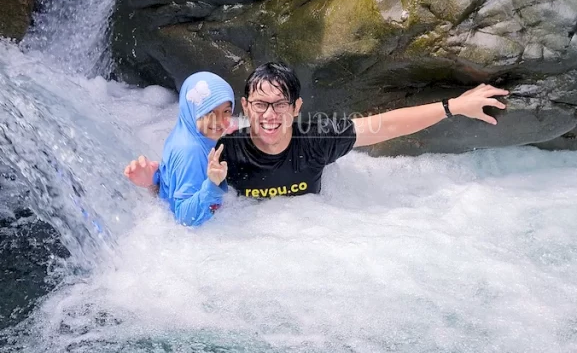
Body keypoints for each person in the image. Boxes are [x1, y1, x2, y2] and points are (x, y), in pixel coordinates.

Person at [126, 61, 508, 206]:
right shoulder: (226, 151)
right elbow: (187, 197)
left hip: (316, 236)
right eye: (260, 104)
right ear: (245, 107)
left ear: (296, 108)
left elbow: (385, 124)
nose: (269, 115)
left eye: (280, 104)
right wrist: (151, 185)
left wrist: (453, 107)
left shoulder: (318, 137)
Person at [124, 71, 234, 226]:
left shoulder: (184, 133)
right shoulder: (192, 151)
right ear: (192, 110)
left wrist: (154, 179)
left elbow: (175, 185)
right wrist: (212, 185)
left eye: (226, 111)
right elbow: (185, 219)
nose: (219, 120)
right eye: (210, 111)